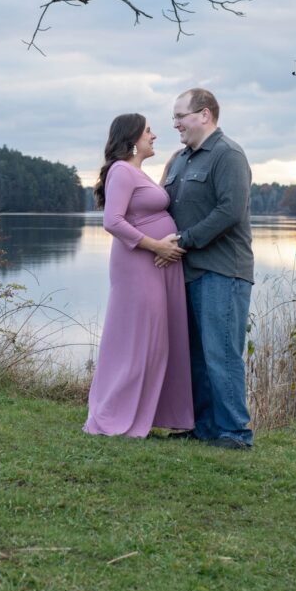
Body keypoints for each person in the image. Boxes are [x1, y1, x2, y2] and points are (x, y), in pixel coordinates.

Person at [83, 113, 195, 438]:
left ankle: (148, 414)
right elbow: (113, 221)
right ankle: (115, 415)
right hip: (138, 264)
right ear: (133, 138)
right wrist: (155, 247)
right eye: (148, 131)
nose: (154, 136)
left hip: (157, 264)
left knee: (158, 340)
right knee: (137, 340)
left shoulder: (137, 173)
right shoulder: (121, 170)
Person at [162, 88, 255, 450]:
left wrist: (183, 240)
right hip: (186, 271)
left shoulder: (228, 155)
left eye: (180, 116)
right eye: (174, 118)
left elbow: (230, 212)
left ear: (205, 115)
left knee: (222, 353)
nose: (175, 124)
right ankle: (202, 427)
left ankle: (234, 433)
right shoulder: (182, 160)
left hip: (223, 271)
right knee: (195, 356)